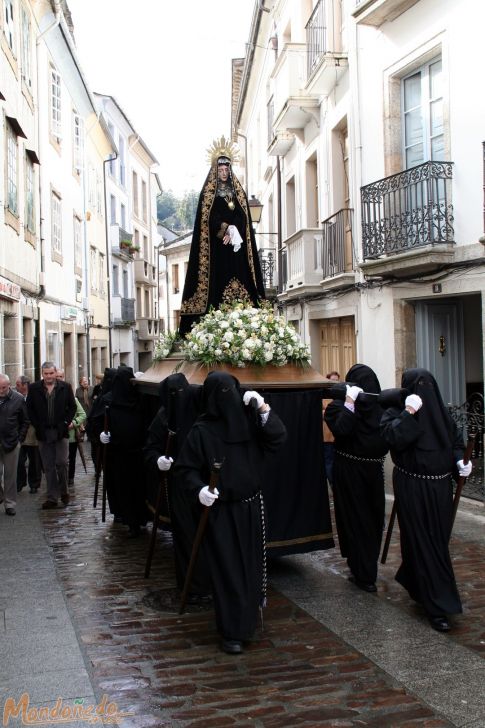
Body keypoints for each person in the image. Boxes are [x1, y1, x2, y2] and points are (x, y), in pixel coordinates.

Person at [173, 371, 287, 654]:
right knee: (227, 569)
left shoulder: (249, 422)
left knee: (250, 567)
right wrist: (199, 489)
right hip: (221, 512)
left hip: (250, 506)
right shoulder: (201, 431)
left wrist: (262, 407)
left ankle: (246, 621)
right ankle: (232, 631)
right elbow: (185, 470)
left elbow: (278, 437)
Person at [380, 368, 471, 632]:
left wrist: (459, 463)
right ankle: (438, 606)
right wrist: (408, 413)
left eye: (427, 385)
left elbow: (455, 441)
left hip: (440, 487)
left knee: (435, 541)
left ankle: (416, 582)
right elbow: (392, 438)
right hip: (412, 485)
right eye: (418, 386)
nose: (424, 391)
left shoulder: (441, 414)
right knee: (425, 542)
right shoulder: (395, 411)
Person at [179, 136, 265, 336]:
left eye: (227, 169)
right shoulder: (208, 194)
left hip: (237, 248)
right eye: (221, 169)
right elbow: (207, 218)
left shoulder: (239, 193)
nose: (224, 172)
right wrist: (225, 228)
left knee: (241, 278)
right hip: (216, 250)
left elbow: (244, 216)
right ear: (215, 170)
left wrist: (235, 228)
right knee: (216, 282)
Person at [144, 373, 210, 601]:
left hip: (204, 483)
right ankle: (191, 585)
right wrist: (158, 460)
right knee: (185, 535)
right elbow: (150, 448)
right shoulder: (165, 416)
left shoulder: (202, 411)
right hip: (178, 486)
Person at [324, 364, 389, 593]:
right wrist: (349, 404)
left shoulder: (381, 410)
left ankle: (367, 569)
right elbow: (341, 429)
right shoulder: (337, 408)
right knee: (353, 518)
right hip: (348, 470)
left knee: (372, 520)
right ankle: (359, 568)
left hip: (372, 472)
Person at [99, 366, 148, 536]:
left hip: (137, 453)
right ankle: (131, 521)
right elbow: (101, 423)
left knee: (138, 489)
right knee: (125, 489)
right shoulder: (109, 402)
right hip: (119, 454)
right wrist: (103, 435)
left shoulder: (140, 400)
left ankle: (140, 518)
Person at [26, 362, 76, 509]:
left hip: (61, 430)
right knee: (48, 466)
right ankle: (52, 497)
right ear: (42, 373)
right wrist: (37, 425)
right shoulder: (34, 388)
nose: (48, 376)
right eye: (45, 373)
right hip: (43, 431)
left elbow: (72, 407)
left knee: (61, 462)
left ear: (55, 373)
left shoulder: (65, 387)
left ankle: (64, 491)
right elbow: (30, 409)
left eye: (51, 373)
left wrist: (65, 422)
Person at [0, 374, 29, 515]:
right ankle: (1, 495)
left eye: (3, 387)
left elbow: (25, 421)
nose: (0, 390)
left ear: (9, 385)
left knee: (10, 475)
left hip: (12, 441)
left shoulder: (18, 399)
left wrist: (20, 439)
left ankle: (9, 503)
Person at [15, 375, 42, 494]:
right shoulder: (15, 397)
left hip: (33, 432)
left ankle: (34, 484)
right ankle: (20, 483)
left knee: (34, 460)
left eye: (18, 385)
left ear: (24, 385)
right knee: (19, 460)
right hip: (19, 432)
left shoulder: (35, 395)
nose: (16, 387)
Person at [322, 371, 340, 488]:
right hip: (327, 437)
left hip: (338, 437)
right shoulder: (324, 397)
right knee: (329, 463)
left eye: (337, 380)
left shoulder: (340, 395)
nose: (335, 383)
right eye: (333, 380)